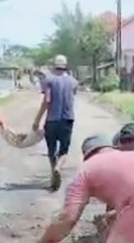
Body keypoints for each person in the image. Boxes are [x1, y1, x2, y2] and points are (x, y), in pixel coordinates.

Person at [32, 54, 79, 191]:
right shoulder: (73, 81)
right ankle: (59, 167)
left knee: (51, 150)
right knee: (63, 150)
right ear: (65, 66)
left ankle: (54, 172)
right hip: (67, 119)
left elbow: (47, 101)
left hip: (52, 120)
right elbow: (73, 94)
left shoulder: (48, 80)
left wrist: (37, 120)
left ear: (54, 66)